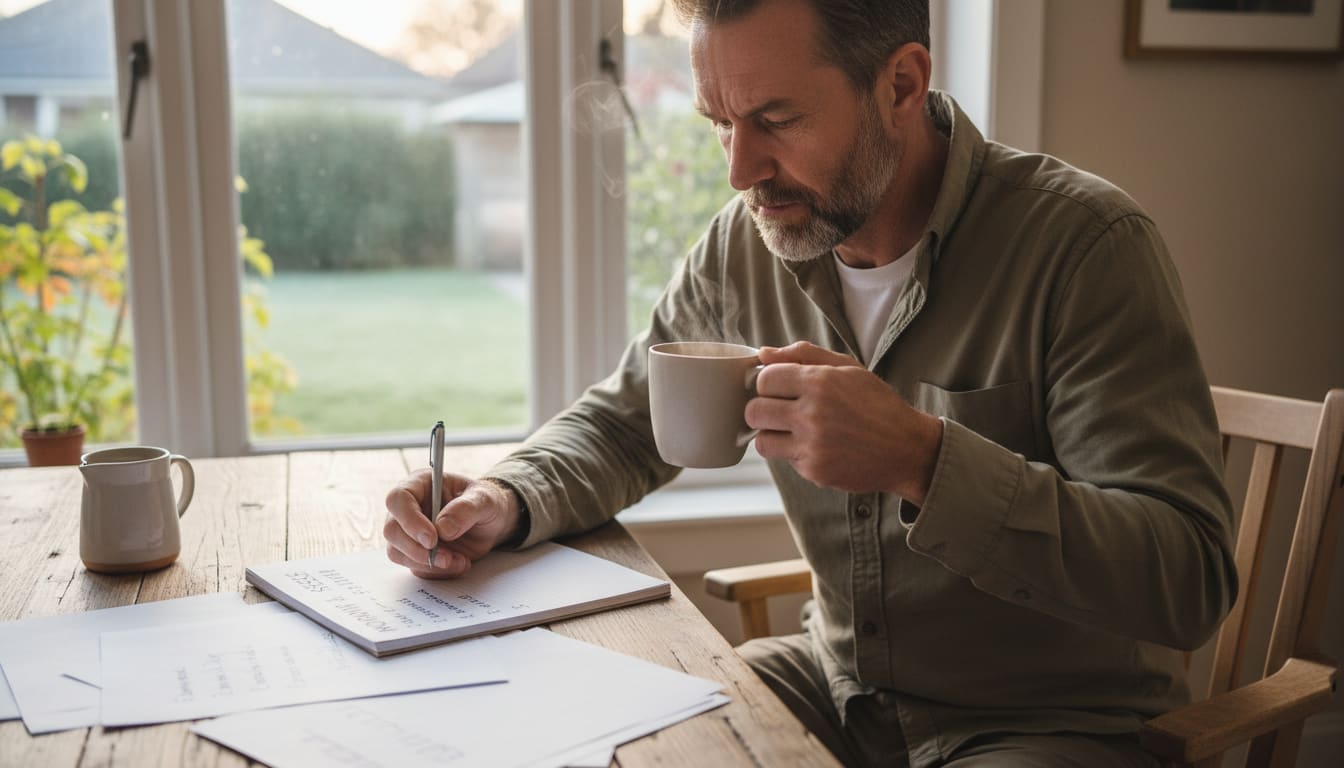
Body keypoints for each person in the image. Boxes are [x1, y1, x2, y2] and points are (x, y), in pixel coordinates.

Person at [383, 0, 1237, 765]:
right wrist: (504, 497)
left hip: (1049, 725)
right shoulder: (745, 242)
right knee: (629, 746)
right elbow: (627, 422)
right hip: (837, 690)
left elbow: (1189, 577)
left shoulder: (1084, 248)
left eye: (776, 119)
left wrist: (926, 460)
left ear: (901, 83)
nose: (740, 169)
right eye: (720, 124)